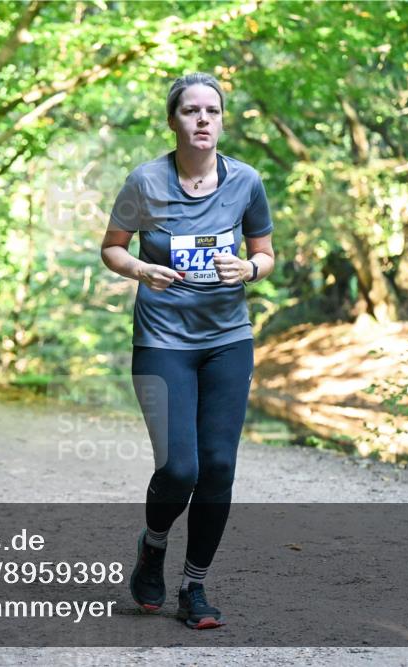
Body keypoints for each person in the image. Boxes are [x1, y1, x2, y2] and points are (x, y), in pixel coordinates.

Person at [101, 73, 275, 629]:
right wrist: (139, 269)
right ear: (173, 120)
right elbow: (111, 248)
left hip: (227, 340)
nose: (203, 119)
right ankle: (153, 548)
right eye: (191, 111)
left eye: (213, 111)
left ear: (222, 121)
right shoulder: (145, 182)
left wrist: (248, 269)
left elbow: (266, 253)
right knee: (180, 468)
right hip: (162, 341)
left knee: (219, 466)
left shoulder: (245, 182)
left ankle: (193, 588)